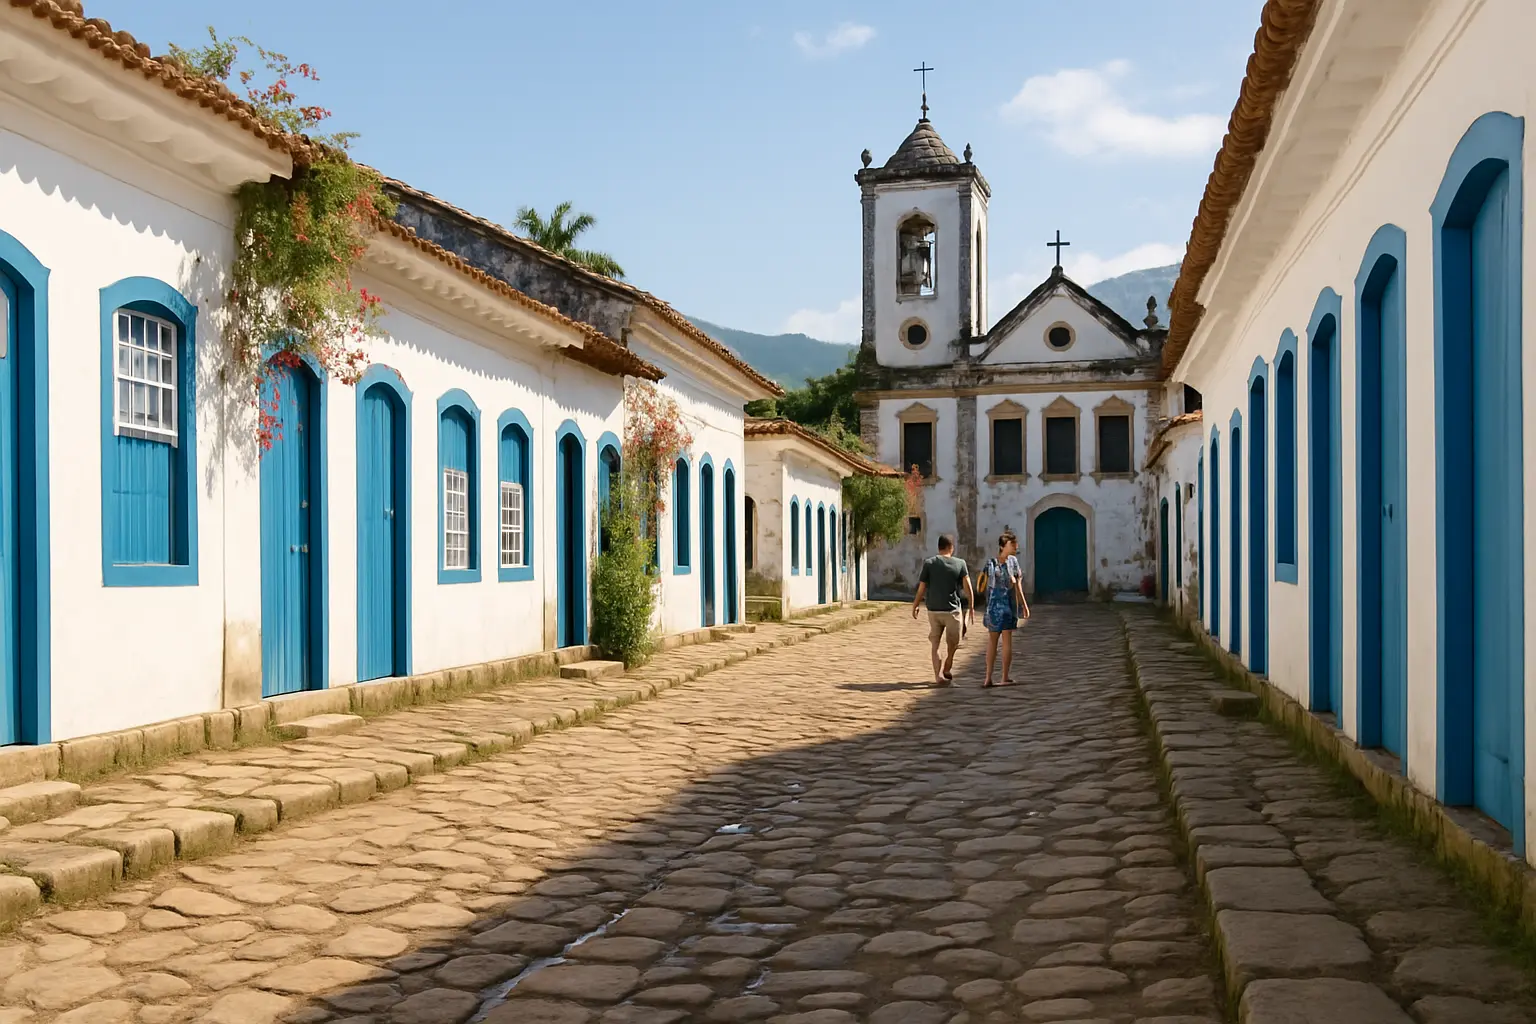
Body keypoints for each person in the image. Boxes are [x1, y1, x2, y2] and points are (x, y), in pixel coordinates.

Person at [911, 534, 974, 686]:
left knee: (935, 644)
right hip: (952, 610)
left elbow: (922, 587)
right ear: (951, 547)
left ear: (939, 547)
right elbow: (967, 586)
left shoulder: (929, 563)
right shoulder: (960, 563)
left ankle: (938, 676)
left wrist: (916, 604)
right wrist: (971, 605)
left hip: (933, 610)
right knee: (953, 643)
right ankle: (948, 663)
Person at [977, 530, 1030, 688]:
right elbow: (983, 585)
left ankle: (996, 677)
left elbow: (1018, 585)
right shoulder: (1004, 562)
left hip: (1001, 607)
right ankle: (993, 677)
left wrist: (1024, 605)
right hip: (1000, 606)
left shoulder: (996, 563)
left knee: (1000, 642)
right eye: (1012, 543)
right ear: (1002, 546)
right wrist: (1023, 605)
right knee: (997, 642)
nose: (1015, 546)